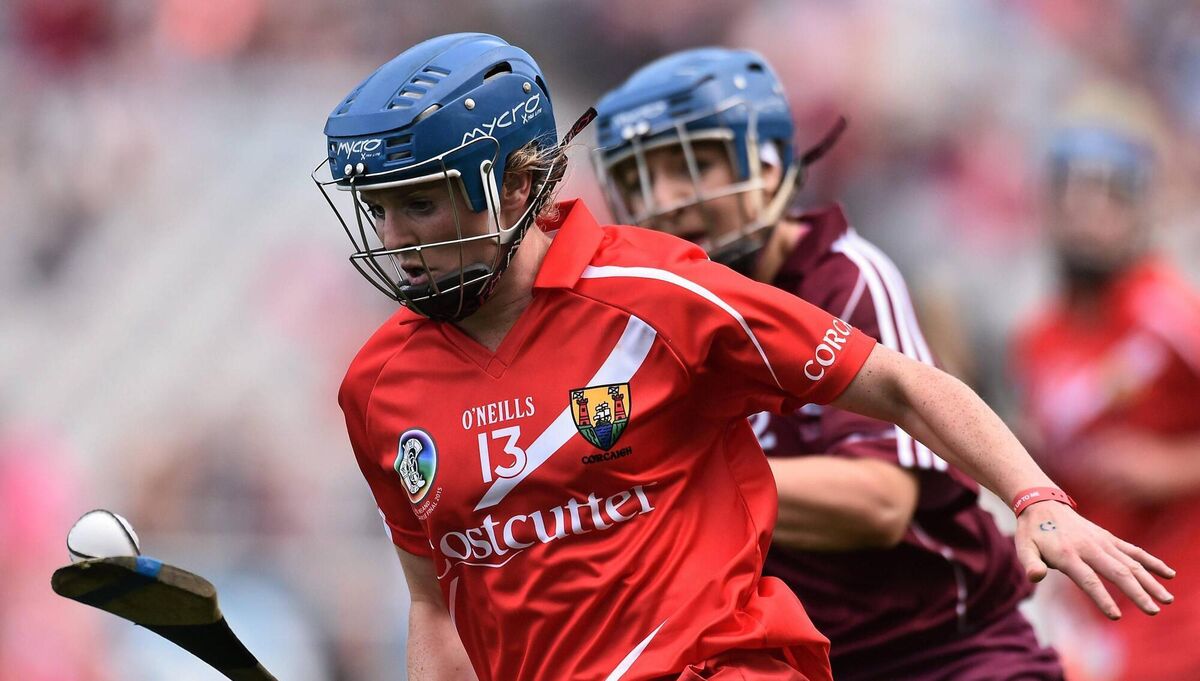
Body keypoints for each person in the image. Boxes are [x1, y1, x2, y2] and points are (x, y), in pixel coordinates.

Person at [316, 33, 1173, 681]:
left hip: (934, 654)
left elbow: (893, 445)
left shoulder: (678, 290)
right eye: (379, 211)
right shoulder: (376, 389)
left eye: (419, 205)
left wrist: (1035, 498)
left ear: (511, 182)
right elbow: (435, 600)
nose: (394, 241)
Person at [592, 47, 1062, 680]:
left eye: (692, 166)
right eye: (639, 179)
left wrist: (679, 479)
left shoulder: (844, 278)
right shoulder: (637, 324)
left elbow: (879, 502)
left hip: (943, 653)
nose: (666, 201)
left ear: (768, 163)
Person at [1012, 93, 1200, 681]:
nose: (1086, 214)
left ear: (1138, 210)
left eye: (1107, 198)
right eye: (1070, 195)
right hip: (1096, 604)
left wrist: (1170, 466)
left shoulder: (1171, 313)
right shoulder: (1038, 337)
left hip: (1183, 602)